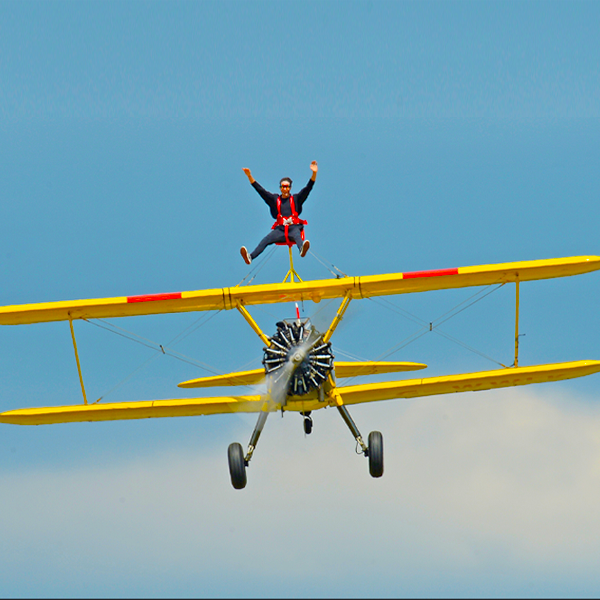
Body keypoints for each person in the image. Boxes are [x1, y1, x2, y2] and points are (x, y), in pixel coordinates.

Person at [240, 161, 318, 264]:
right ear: (280, 188)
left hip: (293, 227)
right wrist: (250, 176)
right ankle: (250, 257)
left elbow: (308, 188)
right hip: (280, 229)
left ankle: (302, 250)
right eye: (282, 186)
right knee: (266, 239)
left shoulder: (295, 199)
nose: (284, 189)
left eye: (286, 186)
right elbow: (261, 191)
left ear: (290, 188)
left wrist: (314, 173)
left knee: (297, 236)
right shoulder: (275, 199)